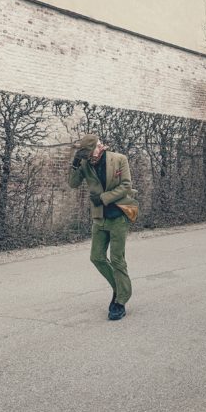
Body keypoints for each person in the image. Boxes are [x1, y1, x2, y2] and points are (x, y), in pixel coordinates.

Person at [68, 134, 139, 321]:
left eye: (91, 152)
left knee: (117, 259)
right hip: (99, 217)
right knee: (97, 257)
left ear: (99, 147)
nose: (89, 157)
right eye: (86, 155)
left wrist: (103, 198)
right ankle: (120, 287)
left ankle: (120, 300)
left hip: (119, 214)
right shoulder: (85, 164)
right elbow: (73, 184)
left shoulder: (119, 159)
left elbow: (126, 186)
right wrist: (75, 163)